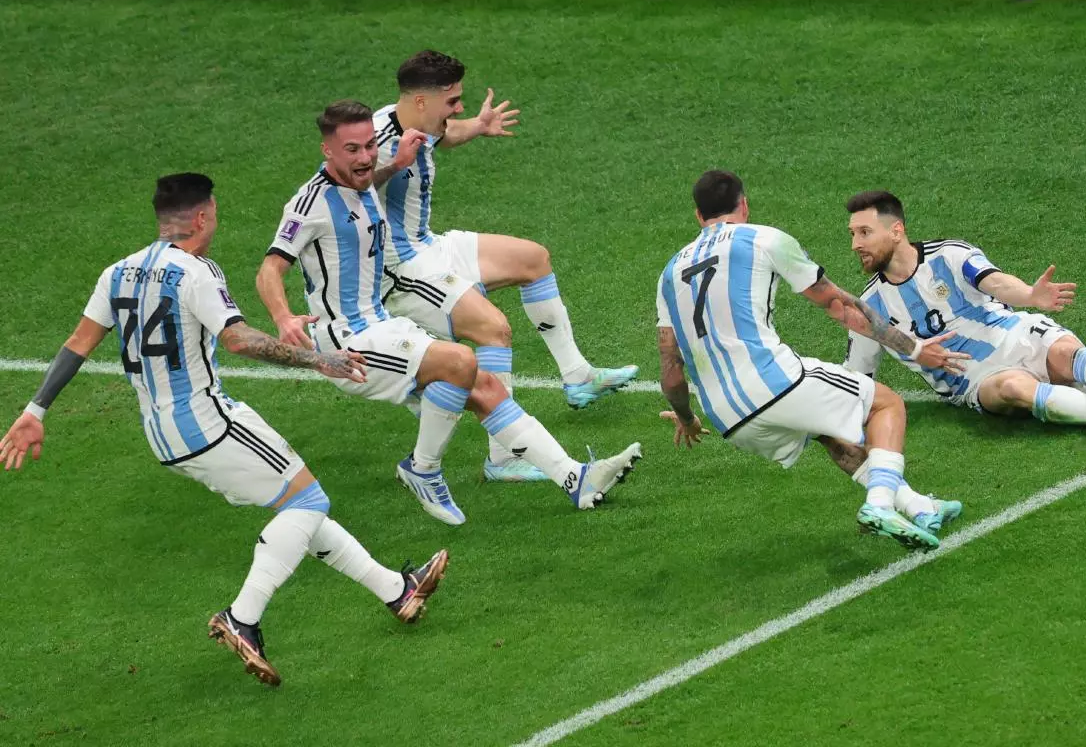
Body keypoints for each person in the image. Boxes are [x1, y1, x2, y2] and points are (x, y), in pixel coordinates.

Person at [0, 173, 448, 687]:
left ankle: (396, 591)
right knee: (308, 502)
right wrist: (318, 359)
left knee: (296, 506)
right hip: (208, 421)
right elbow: (238, 341)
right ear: (200, 217)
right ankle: (242, 618)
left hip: (162, 433)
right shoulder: (196, 273)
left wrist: (35, 410)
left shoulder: (116, 273)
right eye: (213, 211)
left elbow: (78, 343)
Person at [258, 101, 641, 526]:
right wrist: (283, 317)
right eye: (352, 149)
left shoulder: (360, 180)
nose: (365, 157)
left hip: (382, 325)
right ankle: (422, 469)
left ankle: (576, 479)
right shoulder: (308, 204)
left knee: (485, 387)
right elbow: (270, 268)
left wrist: (396, 164)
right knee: (461, 361)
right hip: (346, 343)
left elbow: (364, 185)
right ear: (327, 150)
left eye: (369, 146)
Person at [657, 171, 968, 550]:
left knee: (828, 432)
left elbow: (670, 369)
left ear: (697, 215)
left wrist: (687, 418)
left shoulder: (669, 274)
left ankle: (918, 508)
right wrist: (915, 348)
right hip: (773, 382)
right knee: (886, 404)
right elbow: (840, 307)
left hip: (726, 416)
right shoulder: (763, 238)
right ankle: (880, 505)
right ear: (744, 205)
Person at [372, 50, 639, 482]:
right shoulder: (377, 139)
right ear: (422, 100)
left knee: (533, 259)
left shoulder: (420, 122)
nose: (459, 107)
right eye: (452, 100)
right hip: (401, 268)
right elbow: (344, 185)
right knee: (493, 330)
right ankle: (503, 458)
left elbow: (445, 134)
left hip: (429, 245)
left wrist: (477, 126)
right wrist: (393, 166)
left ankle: (578, 376)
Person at [842, 190, 1086, 429]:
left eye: (865, 233)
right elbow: (857, 377)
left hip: (1014, 333)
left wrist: (1030, 294)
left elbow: (994, 281)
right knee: (1013, 388)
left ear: (896, 231)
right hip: (974, 379)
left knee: (1065, 353)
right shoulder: (869, 308)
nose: (856, 244)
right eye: (853, 234)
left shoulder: (949, 255)